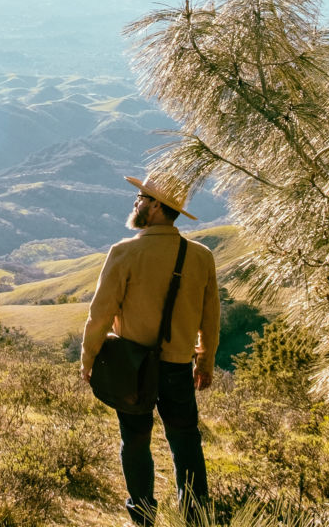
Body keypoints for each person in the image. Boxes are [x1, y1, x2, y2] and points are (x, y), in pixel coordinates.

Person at [79, 173, 220, 526]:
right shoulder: (201, 256)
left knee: (136, 442)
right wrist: (205, 361)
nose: (136, 202)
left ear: (157, 206)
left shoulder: (125, 253)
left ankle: (142, 519)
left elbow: (100, 315)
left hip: (131, 366)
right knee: (186, 443)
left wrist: (89, 358)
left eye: (141, 198)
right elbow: (211, 318)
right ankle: (196, 519)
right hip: (176, 368)